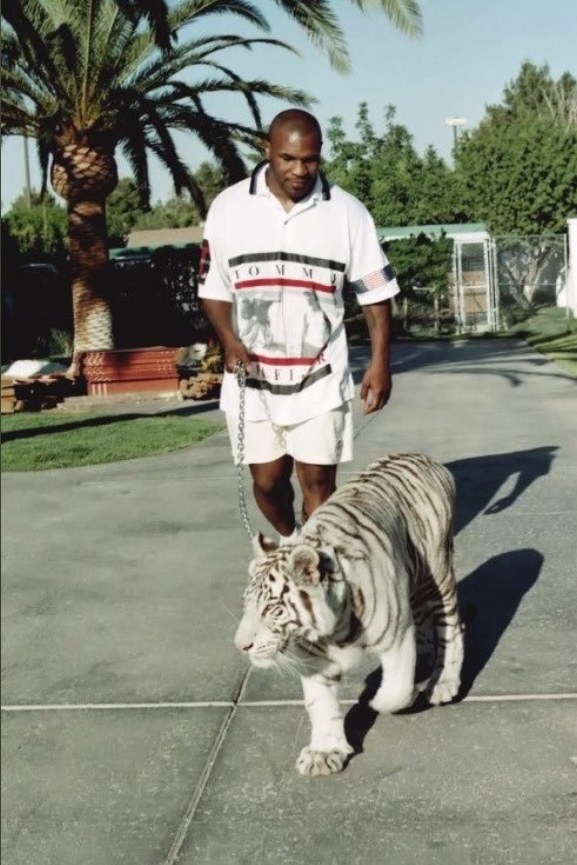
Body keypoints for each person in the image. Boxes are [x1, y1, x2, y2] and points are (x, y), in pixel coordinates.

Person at [198, 108, 400, 541]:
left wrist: (381, 362)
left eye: (309, 159)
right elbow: (213, 289)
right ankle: (293, 544)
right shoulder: (229, 208)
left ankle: (318, 567)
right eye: (288, 158)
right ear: (268, 151)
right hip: (253, 377)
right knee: (268, 483)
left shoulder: (347, 212)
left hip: (320, 376)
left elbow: (376, 295)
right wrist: (230, 340)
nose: (299, 170)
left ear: (320, 154)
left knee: (320, 490)